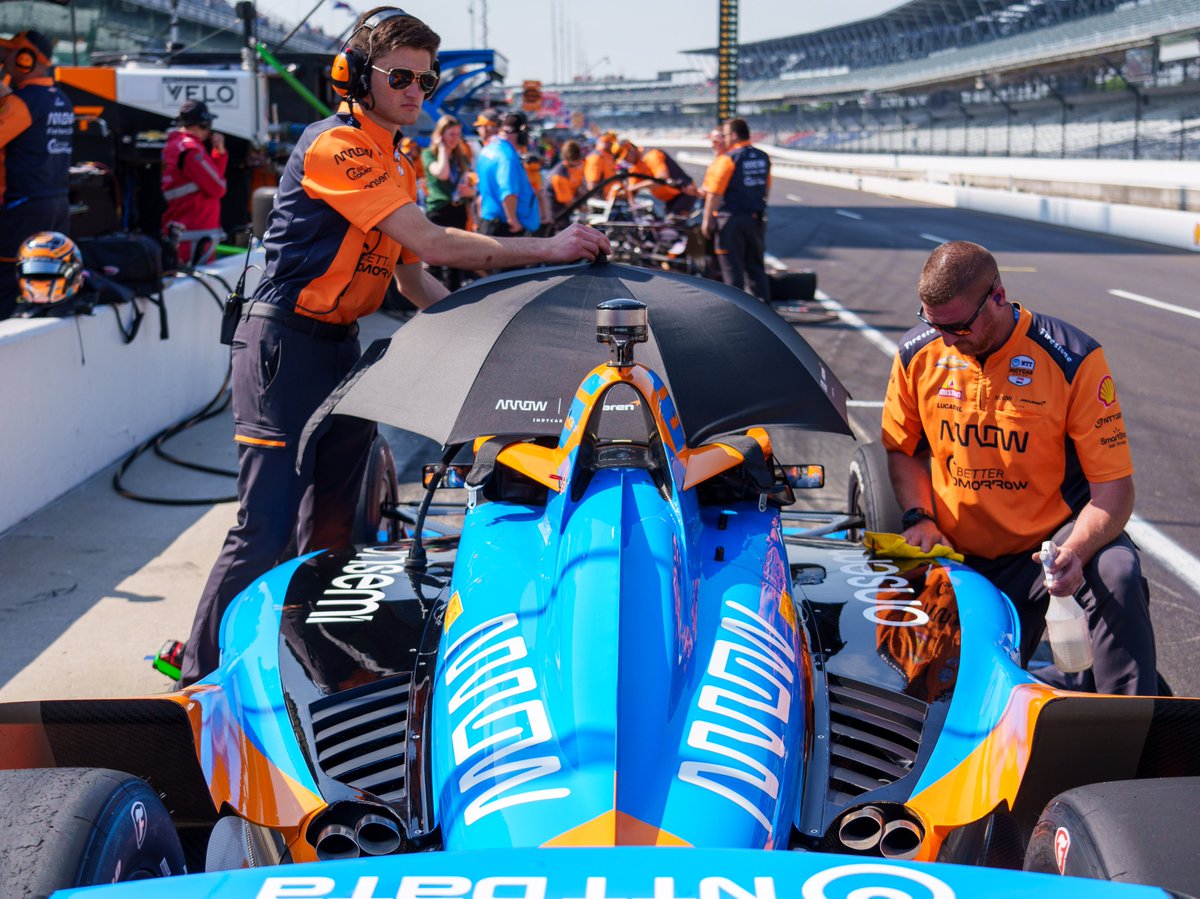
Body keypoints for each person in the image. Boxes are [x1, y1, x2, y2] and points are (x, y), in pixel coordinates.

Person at [181, 6, 609, 685]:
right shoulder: (337, 146)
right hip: (283, 350)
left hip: (339, 350)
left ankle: (311, 661)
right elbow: (435, 244)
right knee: (264, 527)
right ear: (357, 77)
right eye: (401, 76)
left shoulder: (398, 160)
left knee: (334, 524)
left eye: (426, 79)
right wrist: (548, 249)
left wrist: (479, 335)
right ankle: (199, 677)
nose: (416, 90)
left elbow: (412, 277)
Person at [881, 240, 1156, 696]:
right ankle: (1065, 683)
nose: (947, 339)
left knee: (1117, 573)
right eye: (933, 323)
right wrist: (920, 518)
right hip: (959, 555)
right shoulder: (917, 354)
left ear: (998, 296)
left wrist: (1078, 551)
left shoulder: (1073, 359)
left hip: (1046, 550)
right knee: (934, 699)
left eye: (960, 327)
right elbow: (901, 449)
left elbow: (1114, 491)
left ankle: (1131, 737)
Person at [0, 30, 73, 320]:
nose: (5, 62)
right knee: (46, 283)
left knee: (8, 283)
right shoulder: (62, 99)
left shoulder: (22, 102)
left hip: (23, 208)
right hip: (56, 205)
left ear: (27, 58)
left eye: (9, 55)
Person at [701, 117, 770, 300]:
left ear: (733, 135)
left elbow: (714, 194)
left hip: (730, 220)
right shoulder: (763, 157)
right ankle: (766, 313)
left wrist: (707, 220)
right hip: (755, 218)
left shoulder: (728, 159)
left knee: (732, 271)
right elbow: (766, 189)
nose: (724, 139)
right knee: (756, 267)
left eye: (725, 135)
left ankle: (737, 312)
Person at [161, 99, 228, 268]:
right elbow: (218, 187)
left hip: (185, 232)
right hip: (195, 234)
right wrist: (220, 151)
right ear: (201, 124)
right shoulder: (190, 150)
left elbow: (211, 179)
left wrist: (218, 153)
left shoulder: (175, 145)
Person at [421, 113, 474, 291]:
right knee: (435, 259)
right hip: (439, 210)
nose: (455, 139)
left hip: (458, 209)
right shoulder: (429, 154)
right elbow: (442, 173)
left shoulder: (461, 158)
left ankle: (453, 299)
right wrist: (443, 149)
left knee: (455, 260)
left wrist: (470, 191)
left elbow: (470, 184)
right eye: (451, 135)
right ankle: (429, 302)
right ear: (440, 135)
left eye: (458, 135)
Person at [475, 110, 539, 239]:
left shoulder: (487, 150)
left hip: (489, 221)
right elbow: (508, 192)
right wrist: (513, 221)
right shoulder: (507, 158)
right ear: (522, 134)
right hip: (504, 227)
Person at [619, 141, 699, 218]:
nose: (626, 160)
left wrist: (634, 188)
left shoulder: (651, 155)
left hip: (684, 194)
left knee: (673, 227)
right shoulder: (635, 167)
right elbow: (631, 190)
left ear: (631, 149)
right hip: (669, 200)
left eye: (626, 156)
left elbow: (661, 179)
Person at [546, 139, 585, 225]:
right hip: (556, 214)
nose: (577, 167)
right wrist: (583, 209)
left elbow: (577, 186)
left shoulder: (573, 168)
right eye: (574, 165)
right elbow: (568, 202)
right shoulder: (559, 175)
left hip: (565, 211)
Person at [583, 131, 618, 199]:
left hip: (612, 197)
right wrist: (601, 201)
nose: (611, 145)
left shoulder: (609, 156)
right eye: (609, 142)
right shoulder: (596, 157)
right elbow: (592, 185)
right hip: (603, 200)